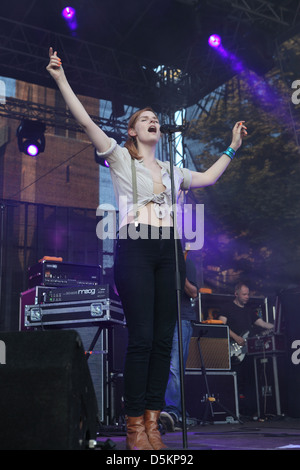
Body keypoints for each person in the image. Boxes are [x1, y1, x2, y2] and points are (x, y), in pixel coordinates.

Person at [46, 47, 247, 450]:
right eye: (145, 119)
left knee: (163, 340)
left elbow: (207, 177)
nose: (153, 122)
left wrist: (232, 146)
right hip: (136, 248)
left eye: (156, 119)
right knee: (141, 339)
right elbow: (85, 120)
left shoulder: (173, 172)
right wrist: (60, 79)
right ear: (133, 131)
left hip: (169, 251)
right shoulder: (120, 158)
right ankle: (134, 424)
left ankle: (154, 421)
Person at [219, 282, 274, 416]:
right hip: (232, 351)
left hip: (247, 353)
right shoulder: (227, 308)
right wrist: (236, 337)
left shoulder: (249, 311)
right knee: (235, 382)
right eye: (244, 294)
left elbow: (262, 324)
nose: (247, 297)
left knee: (250, 381)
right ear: (236, 294)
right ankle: (233, 411)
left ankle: (250, 410)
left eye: (248, 294)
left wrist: (275, 326)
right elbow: (221, 325)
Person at [160, 256, 198, 432]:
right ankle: (170, 413)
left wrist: (178, 272)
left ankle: (173, 413)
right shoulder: (156, 261)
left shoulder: (185, 263)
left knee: (175, 368)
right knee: (161, 367)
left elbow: (193, 292)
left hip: (180, 319)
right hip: (160, 318)